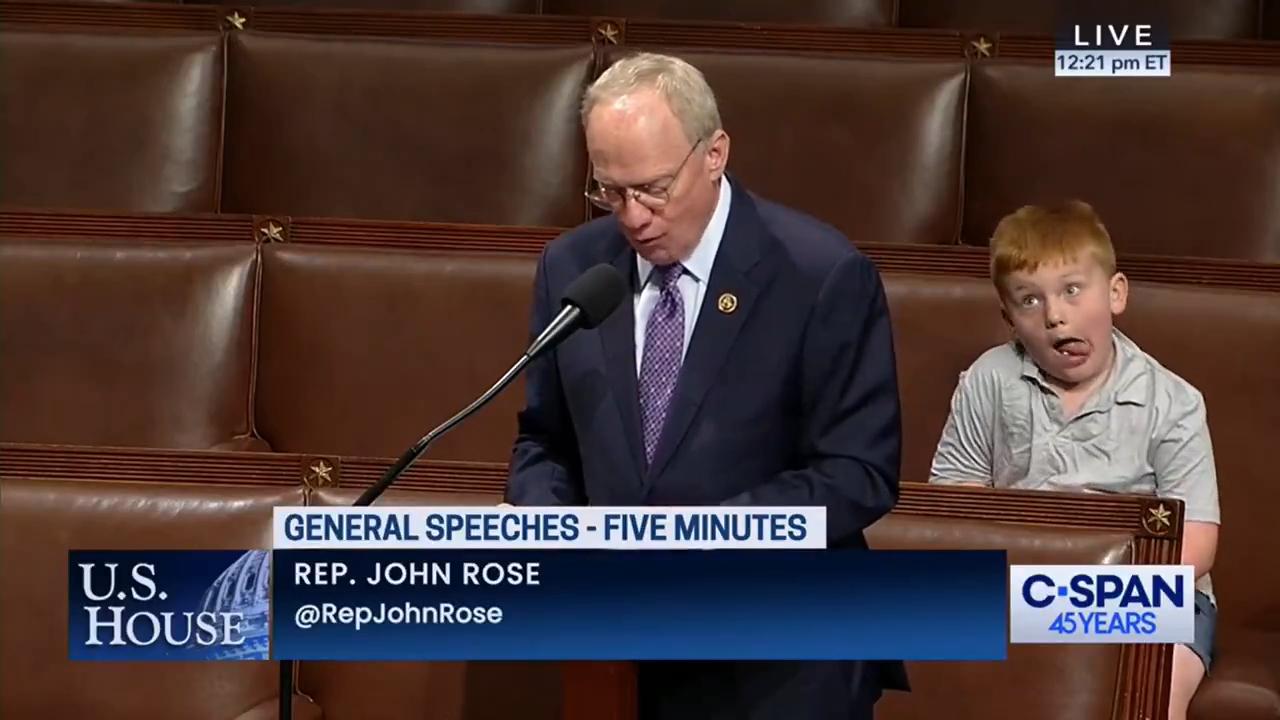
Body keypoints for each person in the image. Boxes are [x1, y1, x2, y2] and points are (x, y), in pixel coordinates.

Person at [505, 52, 908, 719]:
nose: (632, 216)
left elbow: (858, 472)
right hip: (621, 654)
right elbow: (544, 440)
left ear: (714, 153)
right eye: (610, 191)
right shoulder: (574, 268)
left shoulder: (819, 274)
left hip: (783, 661)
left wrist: (698, 540)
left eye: (655, 188)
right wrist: (550, 525)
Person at [928, 200, 1220, 720]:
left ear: (1115, 294)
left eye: (1071, 290)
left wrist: (1070, 594)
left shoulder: (1174, 402)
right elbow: (954, 508)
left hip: (1145, 592)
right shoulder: (988, 380)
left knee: (1155, 683)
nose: (1055, 314)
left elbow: (1196, 544)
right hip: (1013, 582)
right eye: (1029, 300)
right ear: (1009, 319)